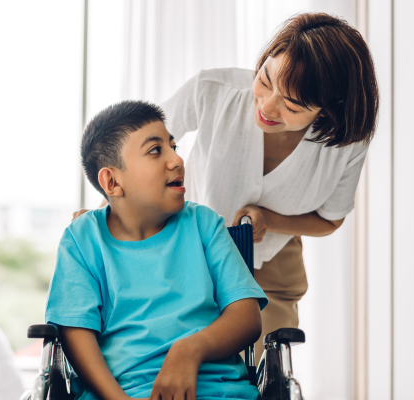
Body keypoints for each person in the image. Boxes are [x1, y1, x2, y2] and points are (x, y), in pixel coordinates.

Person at [73, 12, 379, 360]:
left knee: (261, 375)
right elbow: (138, 151)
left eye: (291, 104)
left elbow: (330, 219)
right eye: (265, 81)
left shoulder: (347, 143)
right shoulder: (212, 91)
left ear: (328, 110)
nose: (267, 106)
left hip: (271, 268)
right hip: (186, 254)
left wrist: (270, 220)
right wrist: (102, 216)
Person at [46, 100, 268, 400]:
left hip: (220, 391)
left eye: (173, 146)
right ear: (112, 181)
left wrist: (190, 349)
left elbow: (247, 316)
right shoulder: (82, 239)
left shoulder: (204, 224)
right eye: (155, 150)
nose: (177, 160)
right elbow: (75, 334)